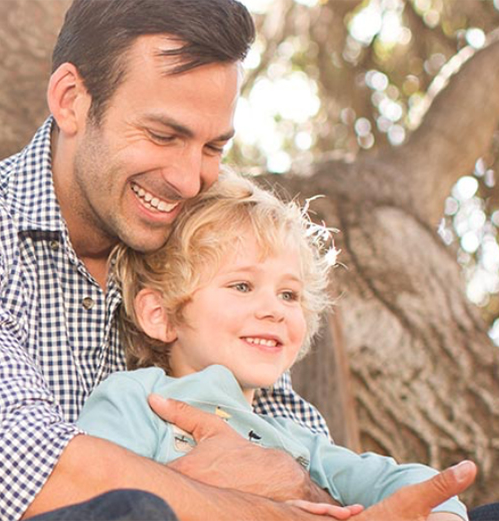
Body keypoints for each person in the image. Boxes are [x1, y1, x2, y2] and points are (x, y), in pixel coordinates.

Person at [0, 0, 478, 519]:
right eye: (163, 135)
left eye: (213, 145)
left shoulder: (200, 245)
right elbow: (21, 471)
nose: (188, 178)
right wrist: (238, 502)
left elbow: (292, 454)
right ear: (72, 100)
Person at [76, 171, 470, 521]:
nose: (274, 310)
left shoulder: (294, 441)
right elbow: (91, 492)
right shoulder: (137, 398)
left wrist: (442, 510)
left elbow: (396, 478)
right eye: (242, 286)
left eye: (289, 294)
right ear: (160, 314)